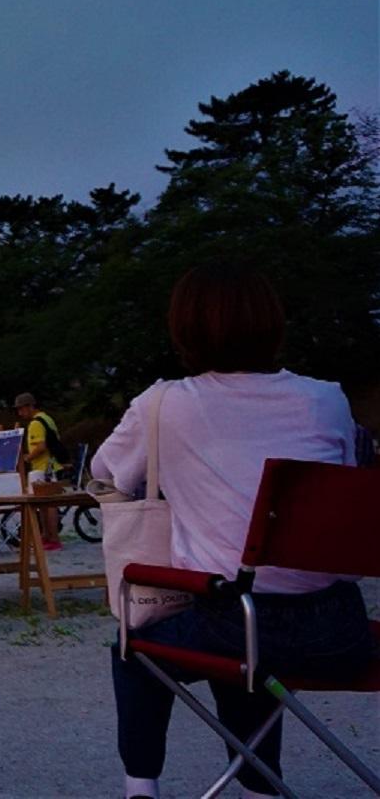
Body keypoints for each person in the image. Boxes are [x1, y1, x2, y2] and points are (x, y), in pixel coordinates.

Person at [92, 263, 373, 799]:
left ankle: (140, 790)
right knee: (245, 618)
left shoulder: (166, 403)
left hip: (240, 626)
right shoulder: (326, 399)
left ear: (185, 332)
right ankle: (260, 786)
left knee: (141, 646)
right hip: (341, 632)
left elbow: (106, 473)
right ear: (273, 324)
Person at [14, 392, 65, 550]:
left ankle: (52, 538)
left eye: (21, 409)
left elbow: (41, 446)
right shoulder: (47, 418)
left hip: (44, 468)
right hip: (52, 465)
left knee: (47, 505)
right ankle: (47, 536)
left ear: (30, 406)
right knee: (46, 504)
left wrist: (28, 457)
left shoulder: (35, 423)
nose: (20, 413)